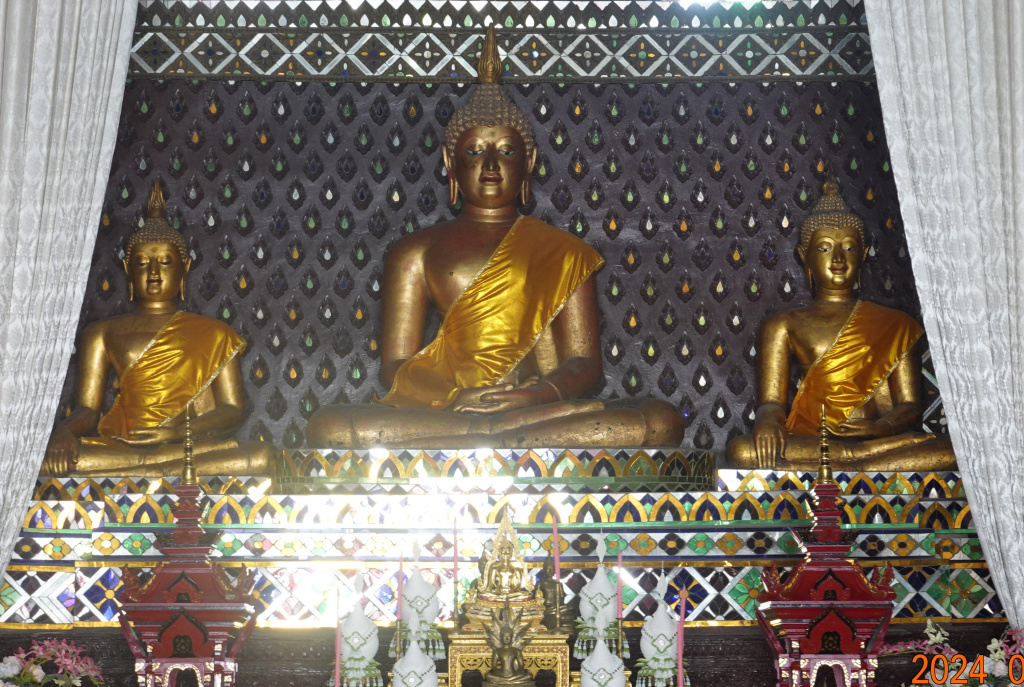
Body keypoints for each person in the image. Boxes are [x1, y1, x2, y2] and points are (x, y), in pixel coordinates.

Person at [306, 28, 683, 449]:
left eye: (506, 151)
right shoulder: (415, 251)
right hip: (448, 412)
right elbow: (395, 366)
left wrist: (532, 394)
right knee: (330, 426)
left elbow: (583, 364)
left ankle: (493, 436)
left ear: (529, 163)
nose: (489, 164)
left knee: (659, 420)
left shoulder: (562, 252)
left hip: (535, 409)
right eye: (474, 151)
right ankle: (495, 437)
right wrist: (453, 398)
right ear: (451, 163)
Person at [41, 182, 275, 477]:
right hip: (124, 448)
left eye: (164, 261)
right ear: (128, 270)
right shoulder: (101, 332)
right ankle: (154, 472)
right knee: (51, 463)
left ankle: (154, 472)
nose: (153, 272)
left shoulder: (216, 334)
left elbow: (232, 409)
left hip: (187, 448)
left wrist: (175, 434)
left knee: (260, 457)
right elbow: (87, 410)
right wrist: (63, 434)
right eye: (141, 263)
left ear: (184, 268)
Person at [726, 178, 956, 472]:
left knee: (953, 450)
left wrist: (880, 428)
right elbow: (771, 401)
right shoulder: (783, 324)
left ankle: (848, 465)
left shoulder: (896, 324)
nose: (837, 259)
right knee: (742, 451)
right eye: (824, 248)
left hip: (876, 441)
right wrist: (767, 423)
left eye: (848, 247)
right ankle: (859, 466)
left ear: (862, 253)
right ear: (803, 256)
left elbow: (909, 405)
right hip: (813, 441)